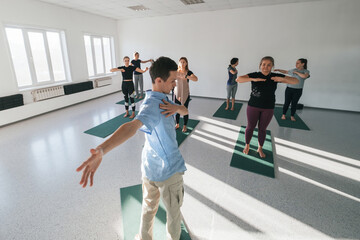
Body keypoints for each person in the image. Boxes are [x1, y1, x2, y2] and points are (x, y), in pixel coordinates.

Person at [77, 57, 188, 240]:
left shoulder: (161, 99)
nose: (175, 84)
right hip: (169, 171)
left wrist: (176, 108)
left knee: (148, 208)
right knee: (173, 215)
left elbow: (185, 111)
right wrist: (102, 150)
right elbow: (131, 127)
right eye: (172, 81)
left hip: (149, 168)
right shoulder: (154, 105)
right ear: (159, 81)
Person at [236, 56, 298, 158]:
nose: (266, 67)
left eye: (269, 65)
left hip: (268, 107)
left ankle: (260, 147)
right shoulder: (255, 74)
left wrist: (281, 78)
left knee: (262, 129)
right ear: (260, 65)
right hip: (253, 106)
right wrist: (253, 79)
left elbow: (296, 81)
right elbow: (239, 79)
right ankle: (247, 145)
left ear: (272, 66)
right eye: (263, 64)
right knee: (250, 127)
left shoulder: (274, 76)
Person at [174, 57, 198, 132]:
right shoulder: (176, 72)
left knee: (184, 110)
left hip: (185, 93)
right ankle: (177, 124)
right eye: (181, 62)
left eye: (184, 62)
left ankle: (185, 125)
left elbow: (196, 79)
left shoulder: (188, 72)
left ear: (186, 63)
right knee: (177, 109)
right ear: (179, 63)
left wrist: (187, 76)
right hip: (176, 93)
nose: (182, 63)